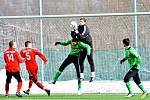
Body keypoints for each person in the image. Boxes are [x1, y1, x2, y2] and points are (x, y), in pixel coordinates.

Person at [51, 31, 91, 95]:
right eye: (73, 38)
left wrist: (88, 54)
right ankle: (54, 81)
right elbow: (65, 43)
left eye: (74, 37)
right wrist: (59, 43)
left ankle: (79, 89)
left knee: (78, 73)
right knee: (61, 67)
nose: (74, 41)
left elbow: (88, 47)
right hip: (70, 57)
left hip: (76, 58)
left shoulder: (80, 43)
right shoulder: (71, 40)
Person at [75, 18, 95, 82]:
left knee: (90, 60)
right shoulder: (78, 28)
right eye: (80, 21)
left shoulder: (86, 28)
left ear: (84, 22)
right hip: (82, 47)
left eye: (82, 21)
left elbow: (82, 37)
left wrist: (77, 32)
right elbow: (74, 35)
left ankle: (92, 76)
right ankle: (82, 77)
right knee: (80, 61)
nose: (80, 22)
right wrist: (73, 29)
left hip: (88, 46)